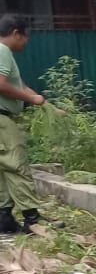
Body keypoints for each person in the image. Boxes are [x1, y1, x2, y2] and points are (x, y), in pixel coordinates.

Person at [0, 14, 52, 235]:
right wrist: (31, 99)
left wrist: (46, 104)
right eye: (25, 37)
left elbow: (19, 84)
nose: (26, 41)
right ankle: (32, 219)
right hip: (2, 118)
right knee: (16, 164)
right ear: (15, 33)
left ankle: (4, 219)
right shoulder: (2, 51)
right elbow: (1, 84)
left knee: (3, 169)